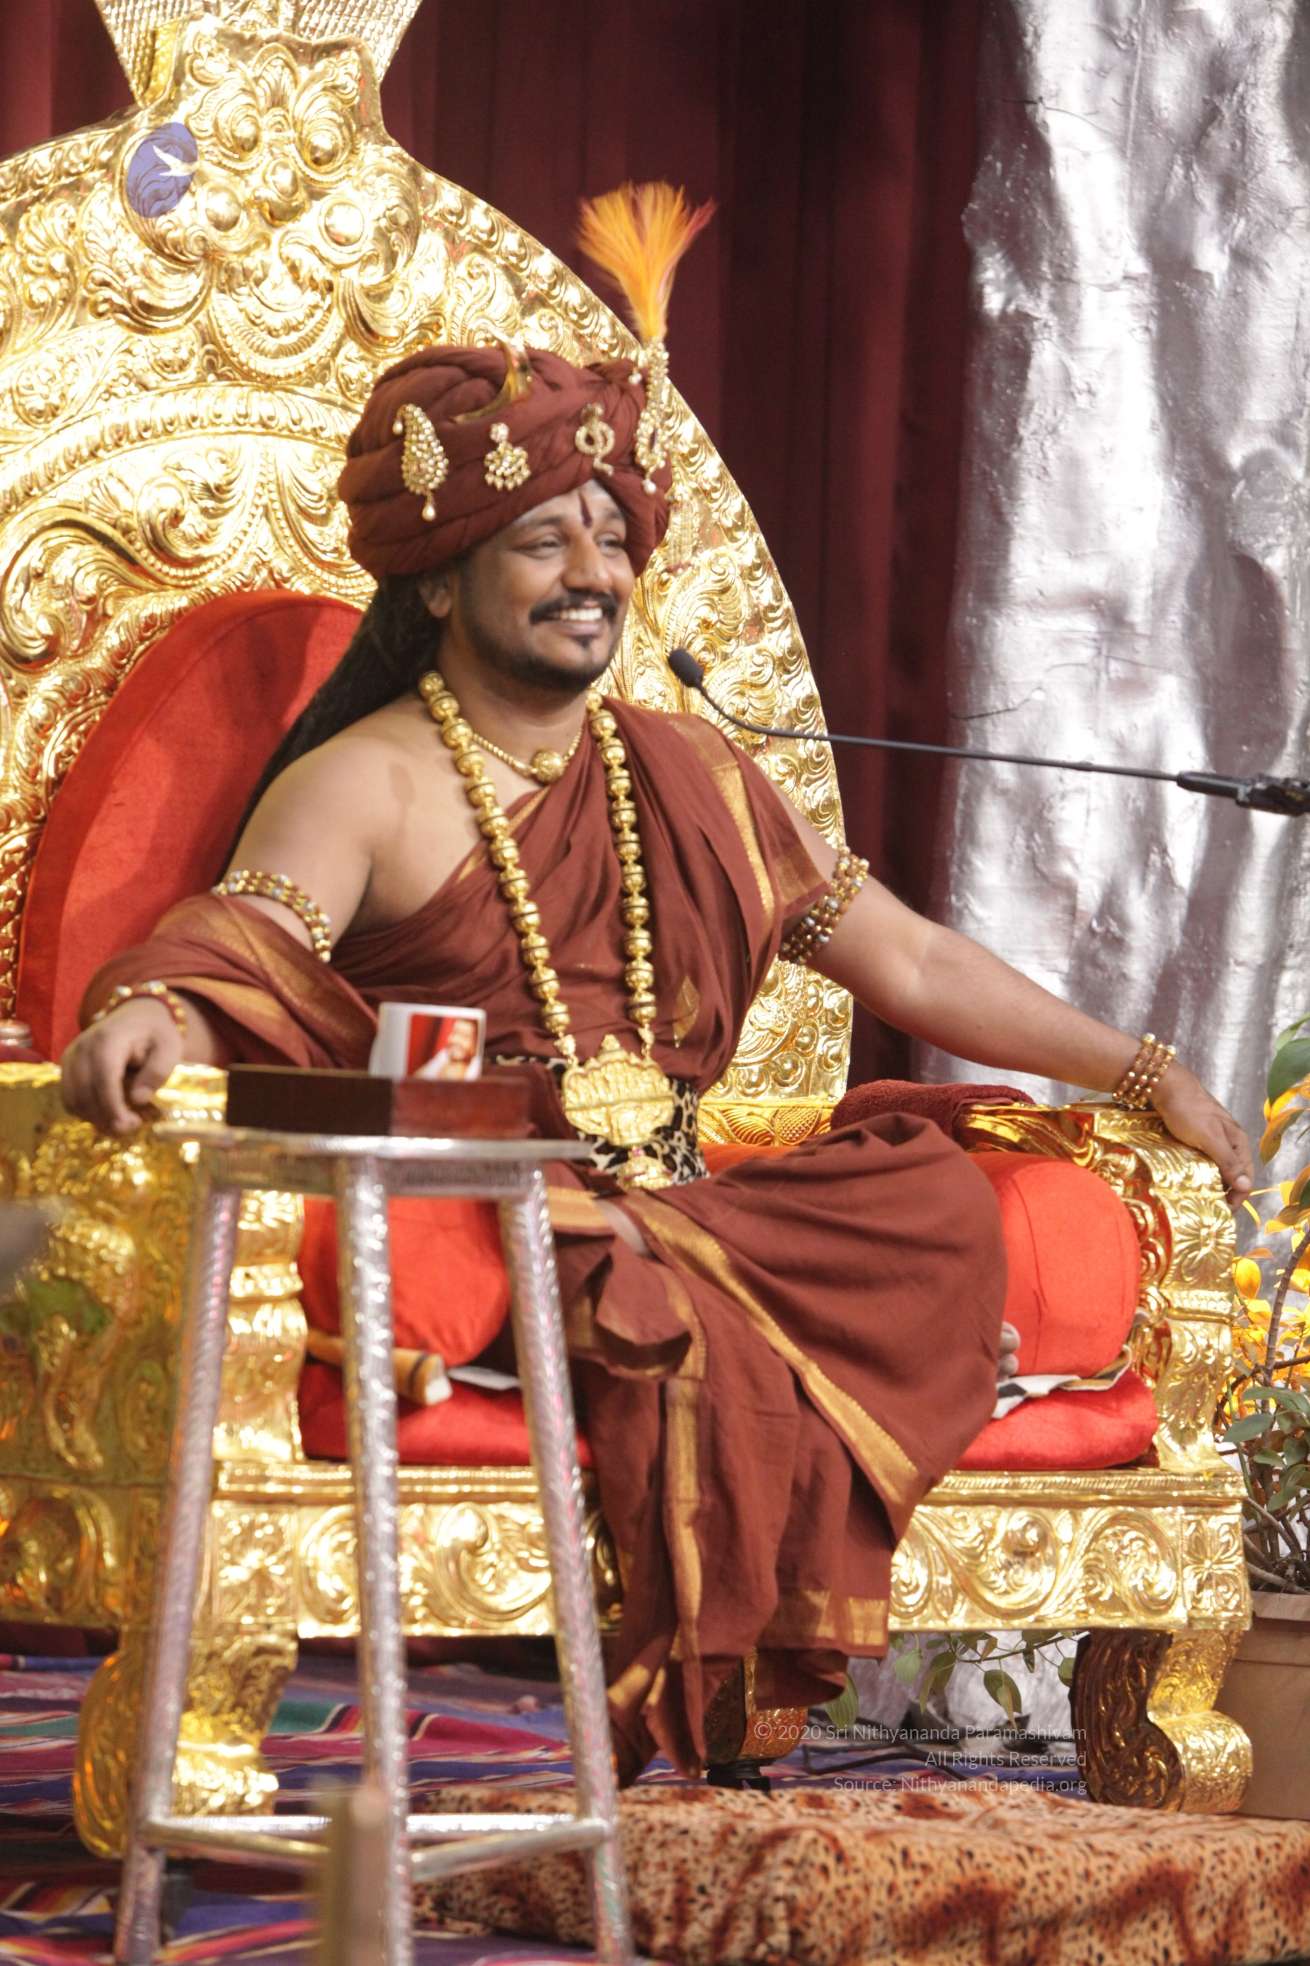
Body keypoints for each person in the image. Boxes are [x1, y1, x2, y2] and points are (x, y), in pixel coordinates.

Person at [58, 325, 1252, 1781]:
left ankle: (797, 1368)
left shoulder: (693, 776)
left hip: (676, 1206)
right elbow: (239, 948)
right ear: (436, 578)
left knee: (929, 1196)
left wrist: (1141, 1069)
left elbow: (914, 960)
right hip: (506, 1207)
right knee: (618, 1266)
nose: (593, 573)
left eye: (611, 538)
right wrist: (151, 1015)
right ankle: (823, 1376)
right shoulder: (364, 781)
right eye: (542, 541)